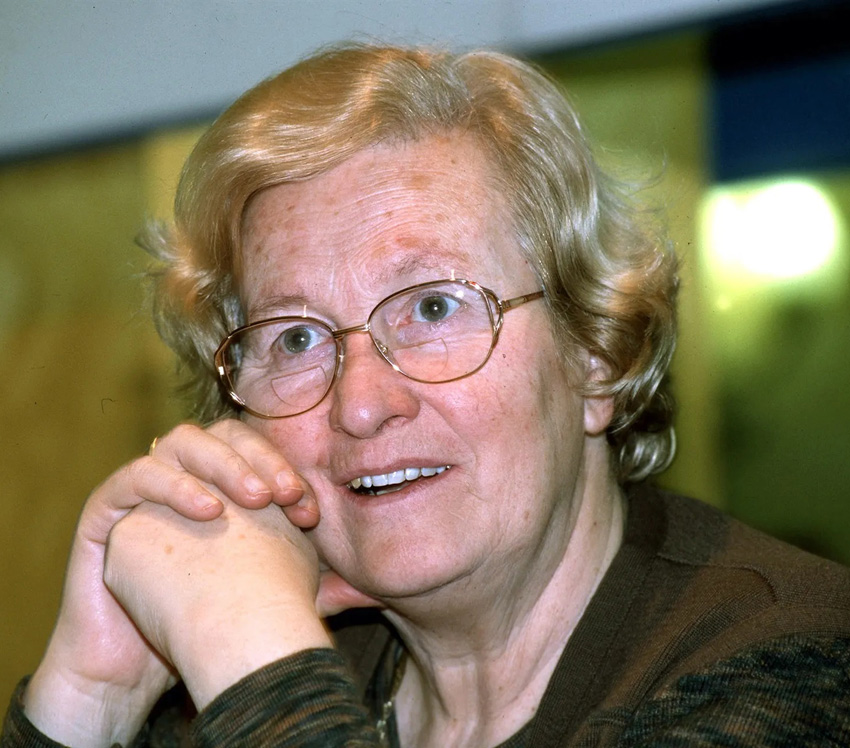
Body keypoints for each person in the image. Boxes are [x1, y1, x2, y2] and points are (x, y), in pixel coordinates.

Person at [4, 43, 850, 748]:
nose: (360, 404)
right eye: (295, 338)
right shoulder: (255, 681)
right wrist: (91, 699)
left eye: (434, 308)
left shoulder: (794, 666)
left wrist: (251, 651)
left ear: (597, 354)